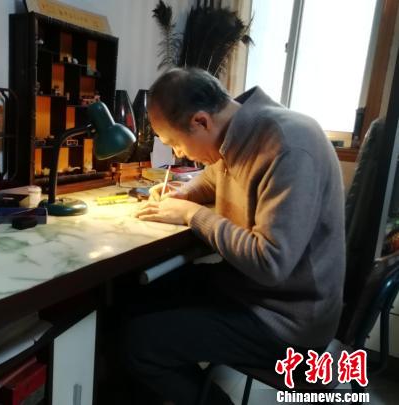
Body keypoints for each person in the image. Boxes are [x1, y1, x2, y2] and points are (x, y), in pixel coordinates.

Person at [123, 68, 346, 405]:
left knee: (142, 343)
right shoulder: (238, 132)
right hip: (249, 291)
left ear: (201, 121)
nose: (179, 154)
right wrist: (183, 194)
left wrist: (192, 215)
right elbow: (214, 175)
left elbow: (270, 262)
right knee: (137, 294)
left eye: (175, 143)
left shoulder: (287, 146)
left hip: (288, 320)